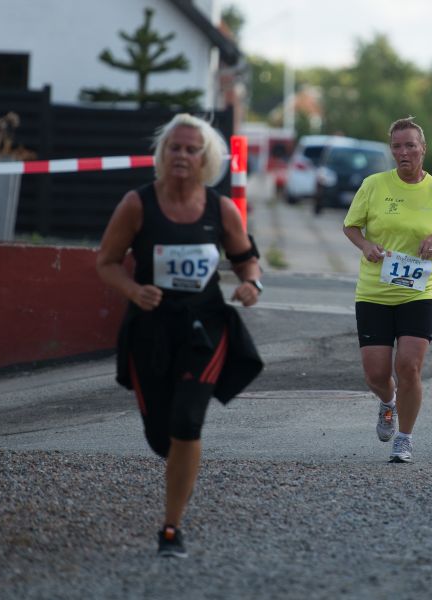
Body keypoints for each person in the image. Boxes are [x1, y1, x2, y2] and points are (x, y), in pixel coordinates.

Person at [96, 113, 264, 557]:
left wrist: (252, 284)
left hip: (203, 328)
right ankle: (179, 469)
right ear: (162, 153)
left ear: (206, 158)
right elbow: (106, 262)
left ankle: (171, 528)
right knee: (161, 437)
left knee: (188, 422)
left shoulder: (220, 209)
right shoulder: (138, 204)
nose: (183, 156)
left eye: (192, 149)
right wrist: (134, 290)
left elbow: (247, 258)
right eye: (175, 147)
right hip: (151, 329)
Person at [343, 117, 432, 463]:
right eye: (397, 146)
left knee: (409, 366)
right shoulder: (373, 185)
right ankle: (388, 402)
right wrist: (365, 246)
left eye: (410, 145)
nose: (403, 152)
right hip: (374, 291)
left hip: (419, 291)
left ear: (423, 149)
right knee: (376, 373)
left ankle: (405, 438)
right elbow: (351, 226)